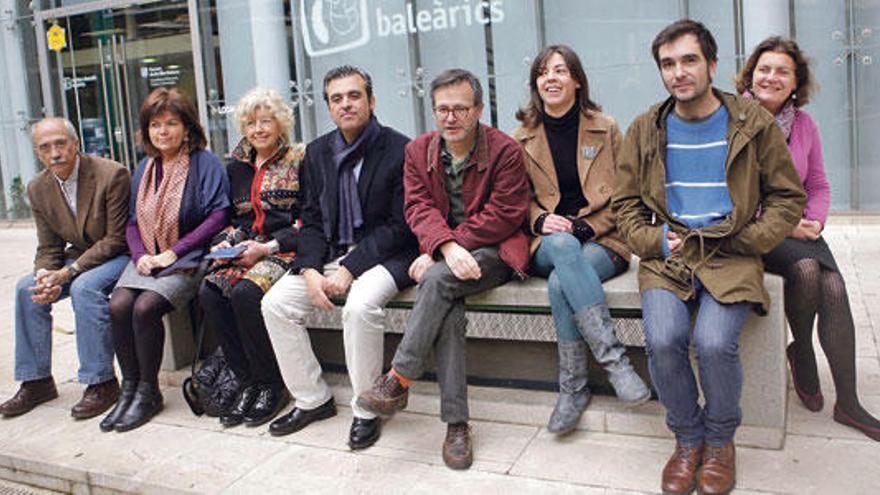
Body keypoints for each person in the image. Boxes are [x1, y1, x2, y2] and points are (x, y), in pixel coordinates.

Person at [613, 20, 806, 495]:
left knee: (716, 343)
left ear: (713, 64)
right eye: (668, 63)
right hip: (669, 256)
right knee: (663, 339)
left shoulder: (752, 122)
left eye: (689, 60)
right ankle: (687, 438)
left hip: (730, 250)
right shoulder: (645, 128)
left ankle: (720, 441)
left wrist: (748, 240)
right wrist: (653, 242)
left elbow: (787, 197)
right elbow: (625, 204)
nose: (679, 72)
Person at [357, 69, 530, 470]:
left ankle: (399, 379)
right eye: (442, 109)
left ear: (479, 110)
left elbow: (505, 214)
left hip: (494, 252)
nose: (451, 117)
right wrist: (445, 249)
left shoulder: (504, 150)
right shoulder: (418, 151)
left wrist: (445, 249)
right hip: (447, 259)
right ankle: (456, 425)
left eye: (460, 109)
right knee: (444, 297)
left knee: (437, 279)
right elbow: (418, 207)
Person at [261, 66, 417, 449]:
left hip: (386, 256)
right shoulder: (316, 152)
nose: (346, 104)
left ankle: (367, 408)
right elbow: (311, 219)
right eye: (337, 98)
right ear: (329, 107)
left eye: (354, 96)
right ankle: (313, 399)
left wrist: (349, 269)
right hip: (330, 253)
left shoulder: (400, 149)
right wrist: (311, 269)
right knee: (275, 303)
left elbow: (401, 226)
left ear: (371, 101)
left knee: (359, 308)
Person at [737, 36, 880, 442]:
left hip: (801, 227)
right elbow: (733, 191)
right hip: (755, 229)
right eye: (764, 69)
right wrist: (785, 224)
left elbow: (817, 182)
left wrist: (815, 219)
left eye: (783, 71)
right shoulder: (734, 119)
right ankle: (802, 350)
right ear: (751, 74)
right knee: (805, 269)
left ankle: (848, 403)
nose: (772, 77)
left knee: (832, 283)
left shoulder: (804, 125)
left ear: (796, 81)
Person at [512, 45, 651, 435]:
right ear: (535, 84)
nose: (550, 78)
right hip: (548, 244)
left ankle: (573, 388)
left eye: (559, 70)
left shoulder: (606, 128)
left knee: (562, 282)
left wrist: (588, 226)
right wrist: (540, 221)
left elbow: (629, 192)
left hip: (604, 240)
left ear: (576, 80)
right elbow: (516, 199)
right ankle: (616, 364)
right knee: (561, 247)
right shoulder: (521, 137)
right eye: (542, 72)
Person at [102, 88, 230, 432]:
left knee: (145, 308)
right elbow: (131, 221)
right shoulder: (144, 167)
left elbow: (218, 215)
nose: (163, 132)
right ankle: (128, 389)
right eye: (155, 125)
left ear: (186, 127)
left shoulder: (206, 163)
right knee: (118, 306)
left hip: (188, 255)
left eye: (171, 123)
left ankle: (148, 393)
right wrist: (141, 255)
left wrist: (173, 251)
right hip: (148, 255)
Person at [0, 118, 130, 420]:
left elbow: (115, 239)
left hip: (120, 256)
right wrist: (44, 276)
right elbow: (49, 248)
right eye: (45, 147)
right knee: (25, 289)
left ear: (75, 143)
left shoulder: (112, 174)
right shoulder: (38, 187)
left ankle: (102, 382)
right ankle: (36, 381)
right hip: (79, 259)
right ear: (37, 153)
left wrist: (69, 273)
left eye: (60, 143)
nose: (55, 152)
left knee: (85, 288)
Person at [198, 87, 303, 428]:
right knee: (210, 291)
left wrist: (268, 247)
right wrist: (226, 242)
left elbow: (309, 220)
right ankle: (246, 381)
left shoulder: (299, 159)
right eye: (251, 123)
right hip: (247, 248)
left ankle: (271, 383)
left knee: (246, 294)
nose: (258, 129)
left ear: (280, 123)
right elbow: (233, 220)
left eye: (266, 121)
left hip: (283, 248)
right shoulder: (236, 167)